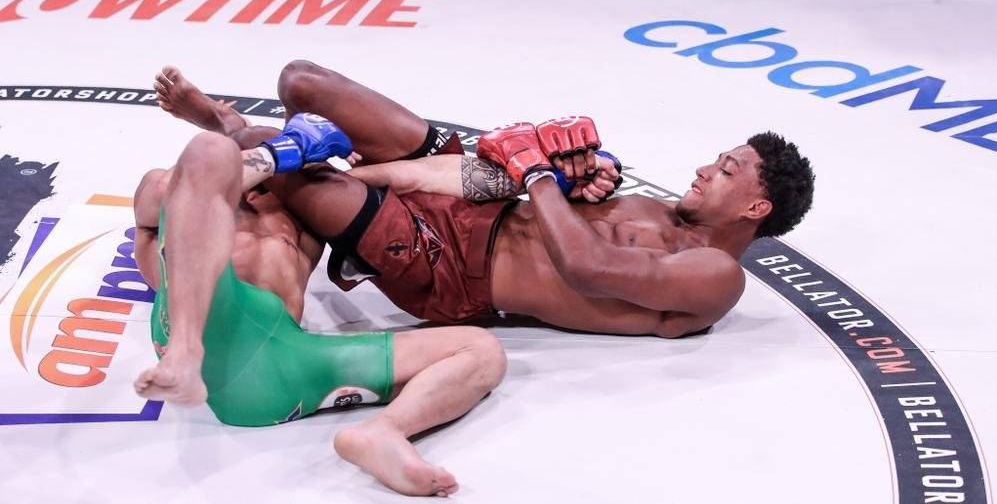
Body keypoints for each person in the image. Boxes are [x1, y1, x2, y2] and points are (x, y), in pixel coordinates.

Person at [152, 60, 815, 339]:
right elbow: (541, 195)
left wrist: (537, 173)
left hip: (451, 270)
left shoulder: (715, 276)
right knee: (303, 83)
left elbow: (587, 267)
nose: (703, 169)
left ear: (755, 209)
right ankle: (287, 161)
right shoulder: (657, 210)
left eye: (726, 170)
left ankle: (229, 127)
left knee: (269, 145)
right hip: (476, 199)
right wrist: (582, 171)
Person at [131, 112, 508, 497]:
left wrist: (330, 161)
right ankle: (185, 349)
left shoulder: (299, 213)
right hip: (211, 329)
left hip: (278, 373)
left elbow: (393, 182)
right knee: (210, 150)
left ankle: (383, 432)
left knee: (481, 352)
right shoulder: (181, 197)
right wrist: (282, 149)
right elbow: (197, 173)